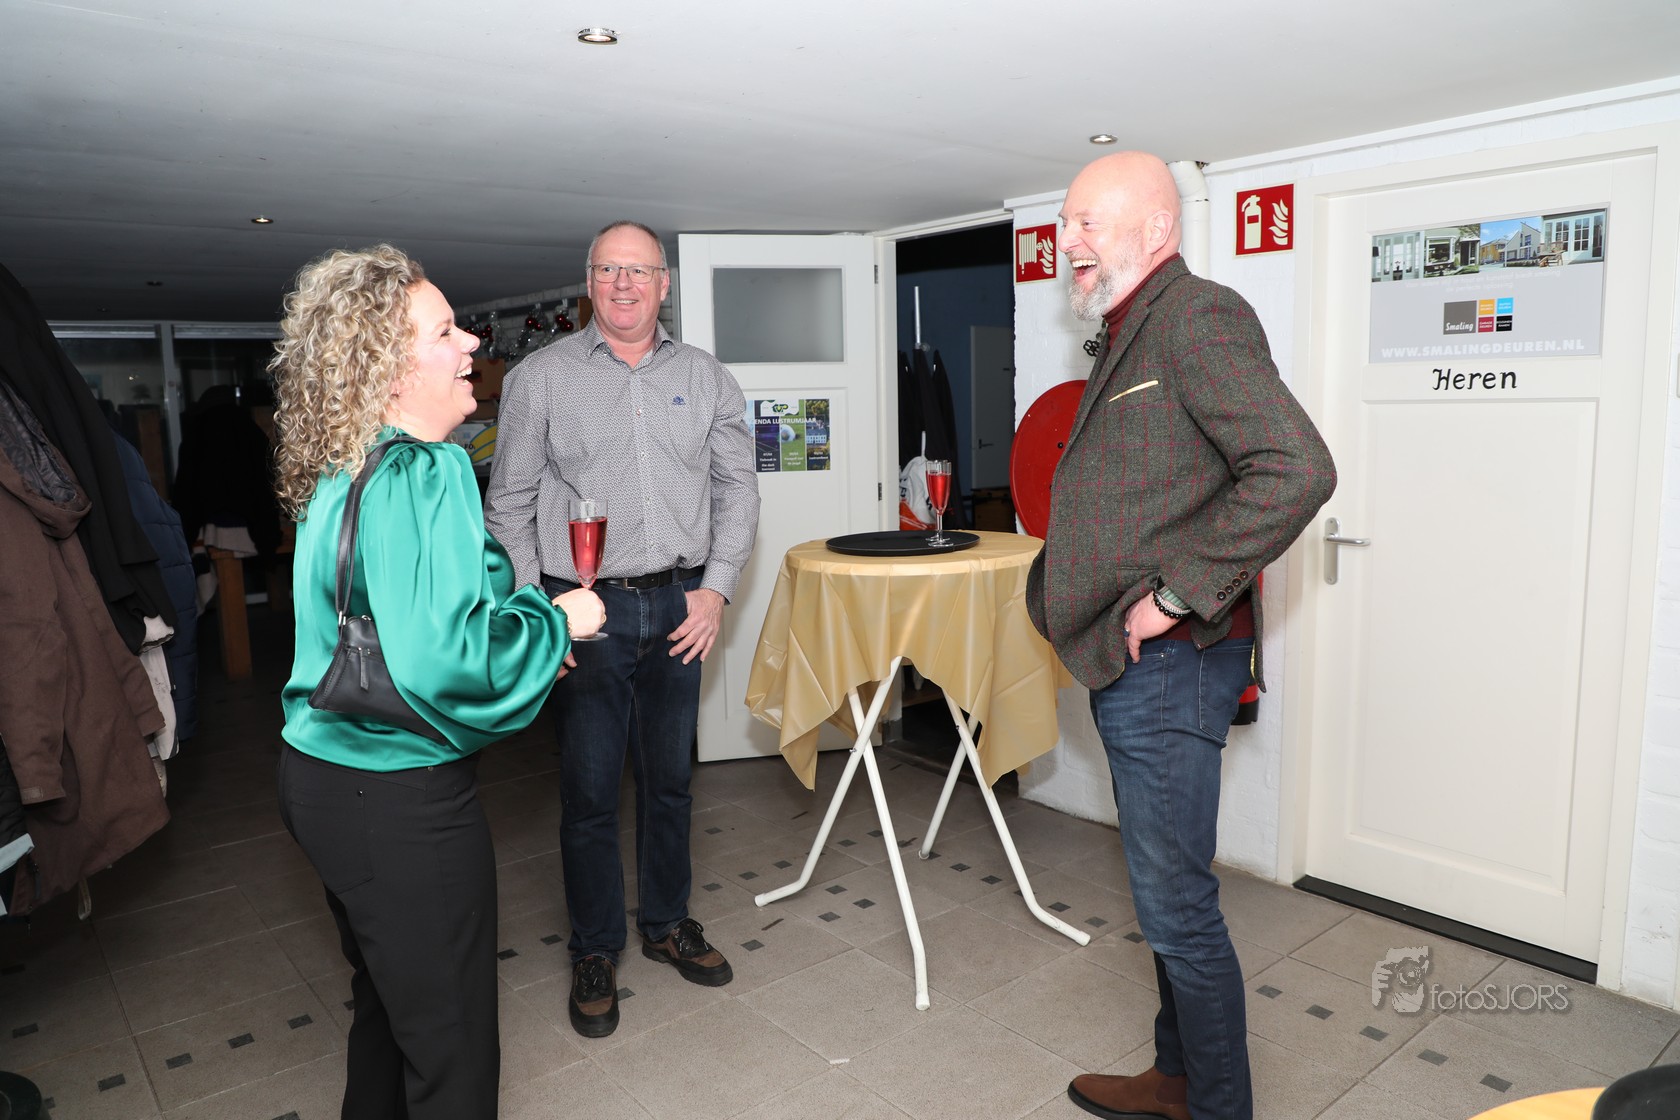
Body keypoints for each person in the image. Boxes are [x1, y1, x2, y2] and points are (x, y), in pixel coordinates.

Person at [1027, 153, 1336, 1120]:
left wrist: (1174, 594)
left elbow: (1296, 469)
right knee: (1164, 900)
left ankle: (1217, 1107)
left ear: (1156, 229)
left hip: (1169, 663)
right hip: (1137, 665)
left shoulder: (1197, 315)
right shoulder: (1131, 324)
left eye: (1088, 222)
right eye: (1065, 223)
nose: (1067, 241)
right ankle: (1177, 1079)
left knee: (1178, 910)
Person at [270, 245, 603, 1118]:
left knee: (389, 1015)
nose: (472, 347)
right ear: (386, 366)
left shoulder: (346, 464)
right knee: (451, 1052)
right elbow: (445, 663)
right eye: (446, 332)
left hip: (321, 779)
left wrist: (518, 630)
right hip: (396, 800)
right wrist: (554, 624)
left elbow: (391, 626)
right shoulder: (428, 469)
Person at [485, 220, 759, 1038]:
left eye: (639, 271)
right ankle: (596, 948)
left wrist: (716, 591)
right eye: (609, 271)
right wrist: (539, 613)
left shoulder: (708, 378)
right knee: (590, 792)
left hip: (679, 607)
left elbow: (737, 490)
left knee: (671, 782)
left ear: (664, 285)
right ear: (590, 283)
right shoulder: (540, 379)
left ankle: (668, 922)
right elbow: (509, 504)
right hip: (585, 615)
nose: (625, 285)